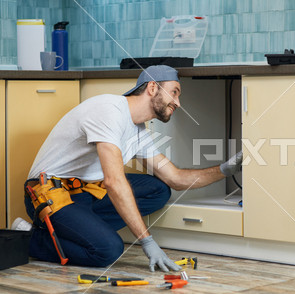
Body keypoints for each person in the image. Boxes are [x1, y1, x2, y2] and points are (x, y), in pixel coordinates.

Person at [22, 65, 242, 272]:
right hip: (49, 195)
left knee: (158, 189)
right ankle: (28, 236)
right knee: (107, 250)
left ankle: (80, 231)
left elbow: (175, 178)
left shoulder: (138, 131)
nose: (178, 102)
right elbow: (114, 182)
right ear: (152, 87)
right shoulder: (109, 111)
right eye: (174, 92)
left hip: (86, 192)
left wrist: (224, 170)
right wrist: (147, 241)